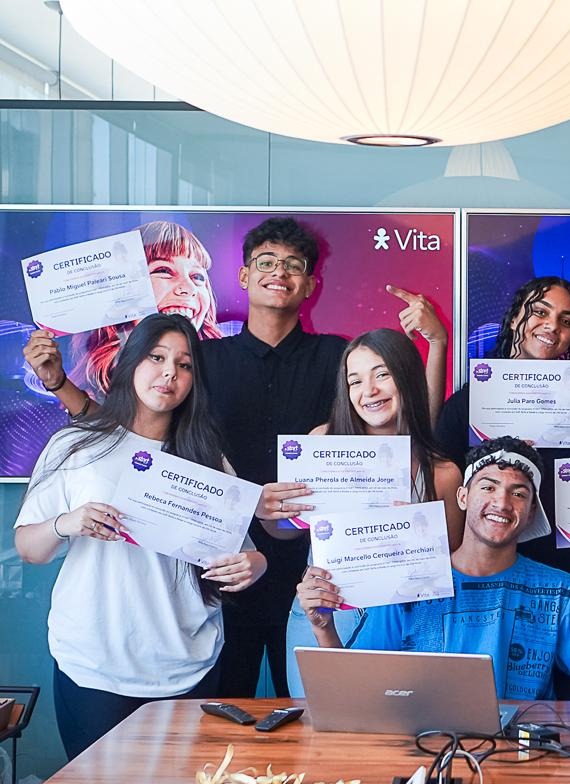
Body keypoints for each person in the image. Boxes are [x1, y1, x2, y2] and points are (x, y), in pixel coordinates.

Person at [23, 216, 448, 698]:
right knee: (227, 709)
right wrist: (60, 385)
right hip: (221, 561)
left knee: (321, 708)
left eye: (293, 265)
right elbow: (128, 431)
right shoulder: (202, 359)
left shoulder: (337, 357)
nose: (279, 272)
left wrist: (436, 344)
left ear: (311, 284)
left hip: (322, 562)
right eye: (266, 262)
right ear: (244, 276)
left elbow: (410, 432)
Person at [13, 313, 266, 759]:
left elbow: (246, 555)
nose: (170, 372)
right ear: (129, 362)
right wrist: (66, 523)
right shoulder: (77, 445)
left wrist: (255, 565)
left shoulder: (207, 460)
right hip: (94, 665)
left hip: (188, 661)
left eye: (185, 365)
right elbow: (28, 549)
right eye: (156, 357)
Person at [297, 437, 570, 702]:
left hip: (522, 758)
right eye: (488, 487)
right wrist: (324, 629)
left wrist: (549, 728)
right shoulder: (406, 583)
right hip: (421, 752)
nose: (502, 503)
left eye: (518, 494)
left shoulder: (561, 591)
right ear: (462, 497)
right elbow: (350, 690)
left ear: (531, 513)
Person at [256, 329, 466, 696]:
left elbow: (451, 569)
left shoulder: (444, 473)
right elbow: (286, 531)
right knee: (319, 740)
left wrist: (416, 534)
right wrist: (270, 513)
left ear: (407, 377)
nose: (368, 390)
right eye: (355, 381)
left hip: (407, 625)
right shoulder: (322, 442)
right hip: (322, 611)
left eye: (381, 374)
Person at [436, 276, 570, 612]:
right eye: (539, 312)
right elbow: (446, 491)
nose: (552, 326)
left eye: (566, 321)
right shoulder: (467, 405)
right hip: (486, 576)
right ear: (516, 316)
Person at [26, 220, 225, 405]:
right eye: (163, 270)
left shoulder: (222, 371)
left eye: (197, 276)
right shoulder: (97, 384)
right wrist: (57, 382)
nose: (188, 288)